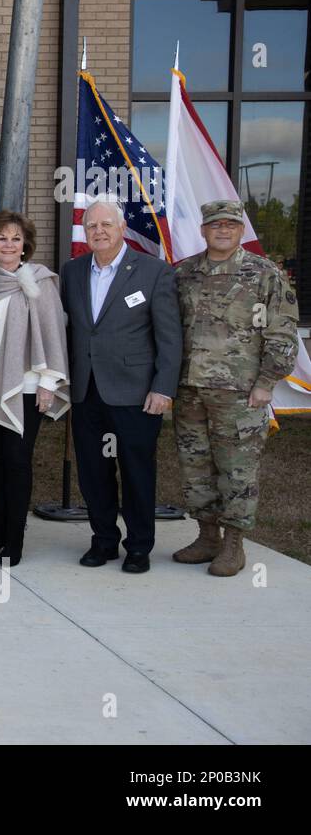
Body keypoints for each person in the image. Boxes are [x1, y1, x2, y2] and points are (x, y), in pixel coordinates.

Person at [172, 199, 300, 576]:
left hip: (240, 393)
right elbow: (168, 330)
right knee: (195, 467)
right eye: (215, 225)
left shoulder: (265, 274)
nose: (223, 230)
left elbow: (283, 333)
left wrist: (266, 383)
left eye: (230, 224)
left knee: (237, 470)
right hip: (190, 389)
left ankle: (234, 545)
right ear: (203, 230)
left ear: (241, 230)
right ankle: (207, 536)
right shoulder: (185, 274)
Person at [59, 196, 182, 574]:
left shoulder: (153, 272)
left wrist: (163, 388)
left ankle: (139, 546)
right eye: (92, 226)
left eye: (105, 225)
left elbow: (170, 337)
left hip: (135, 393)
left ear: (122, 228)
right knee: (93, 472)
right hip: (87, 391)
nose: (98, 231)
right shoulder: (72, 271)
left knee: (136, 472)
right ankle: (104, 541)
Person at [0, 210, 70, 566]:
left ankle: (15, 539)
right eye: (1, 238)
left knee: (17, 461)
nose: (9, 244)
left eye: (15, 238)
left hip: (25, 387)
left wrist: (47, 383)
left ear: (24, 245)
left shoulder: (40, 281)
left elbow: (53, 334)